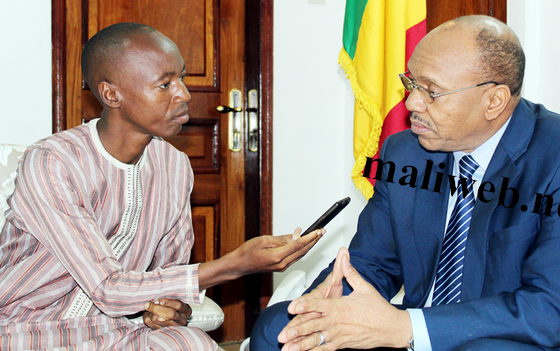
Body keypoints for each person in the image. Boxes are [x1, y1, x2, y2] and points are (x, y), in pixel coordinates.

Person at [250, 15, 560, 351]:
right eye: (411, 83)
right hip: (427, 330)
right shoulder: (405, 153)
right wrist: (327, 304)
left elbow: (553, 309)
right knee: (276, 330)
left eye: (432, 92)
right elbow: (373, 263)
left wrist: (404, 329)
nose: (411, 104)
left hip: (536, 339)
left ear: (494, 102)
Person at [0, 23, 322, 350]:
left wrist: (166, 309)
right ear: (112, 94)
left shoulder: (174, 166)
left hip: (117, 330)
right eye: (165, 84)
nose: (184, 94)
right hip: (29, 329)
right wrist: (235, 265)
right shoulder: (53, 163)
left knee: (191, 342)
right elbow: (107, 288)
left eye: (181, 78)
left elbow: (170, 275)